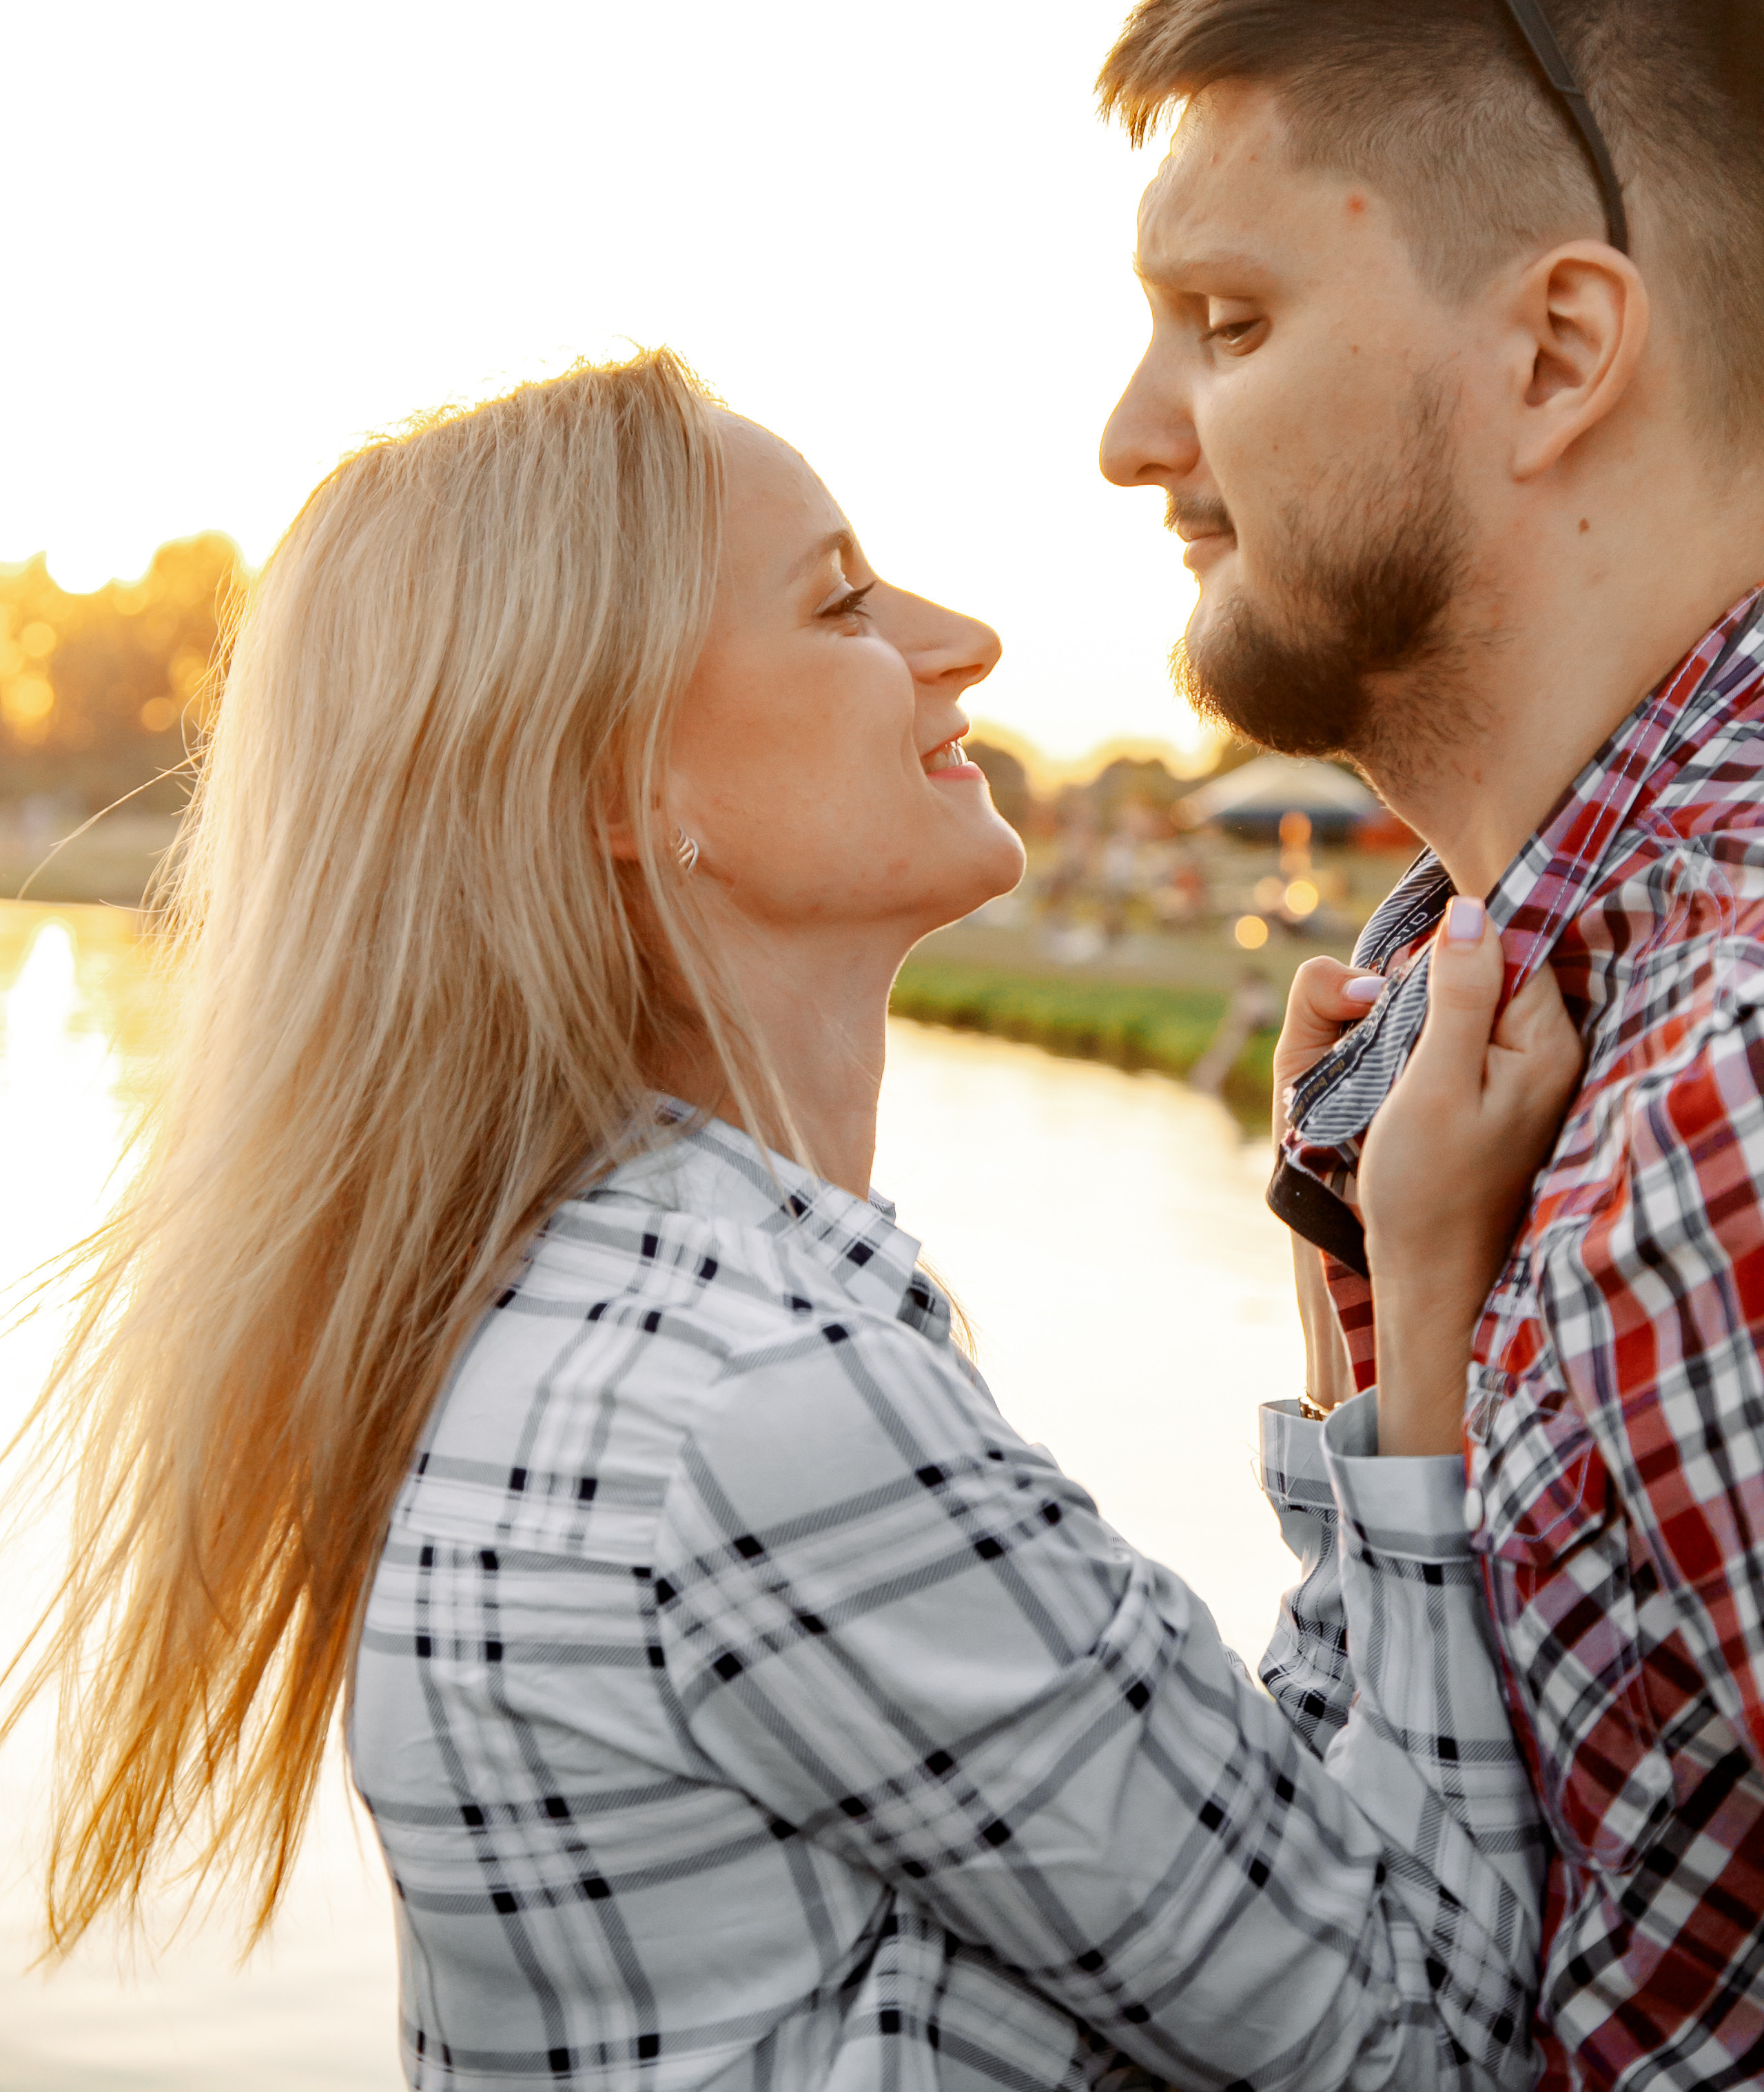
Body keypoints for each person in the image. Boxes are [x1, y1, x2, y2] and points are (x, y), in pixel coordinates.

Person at [10, 353, 1577, 2090]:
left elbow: (1243, 1892)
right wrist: (1427, 1334)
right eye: (839, 603)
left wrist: (1346, 1308)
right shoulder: (765, 1403)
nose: (963, 636)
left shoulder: (579, 1321)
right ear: (613, 786)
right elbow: (1420, 2038)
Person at [1097, 0, 1764, 2088]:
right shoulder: (1536, 1005)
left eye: (1232, 320)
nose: (1127, 438)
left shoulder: (1733, 1071)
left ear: (1559, 350)